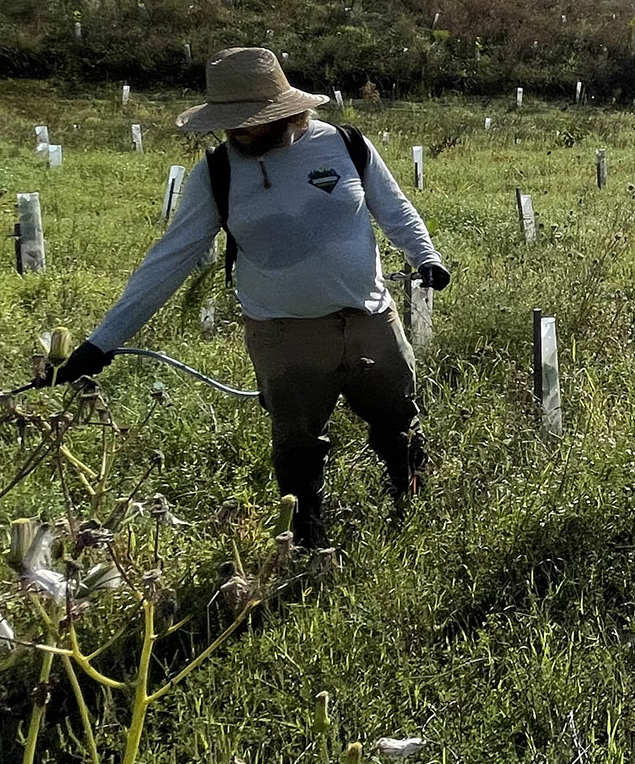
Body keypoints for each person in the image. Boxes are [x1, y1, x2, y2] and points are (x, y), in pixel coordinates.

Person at [50, 48, 449, 548]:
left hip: (371, 320)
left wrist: (425, 255)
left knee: (400, 426)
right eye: (230, 122)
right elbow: (168, 259)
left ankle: (411, 515)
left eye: (252, 121)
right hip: (283, 336)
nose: (239, 132)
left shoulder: (346, 146)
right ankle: (307, 545)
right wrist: (101, 342)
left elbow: (395, 209)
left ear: (288, 111)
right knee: (298, 446)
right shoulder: (216, 174)